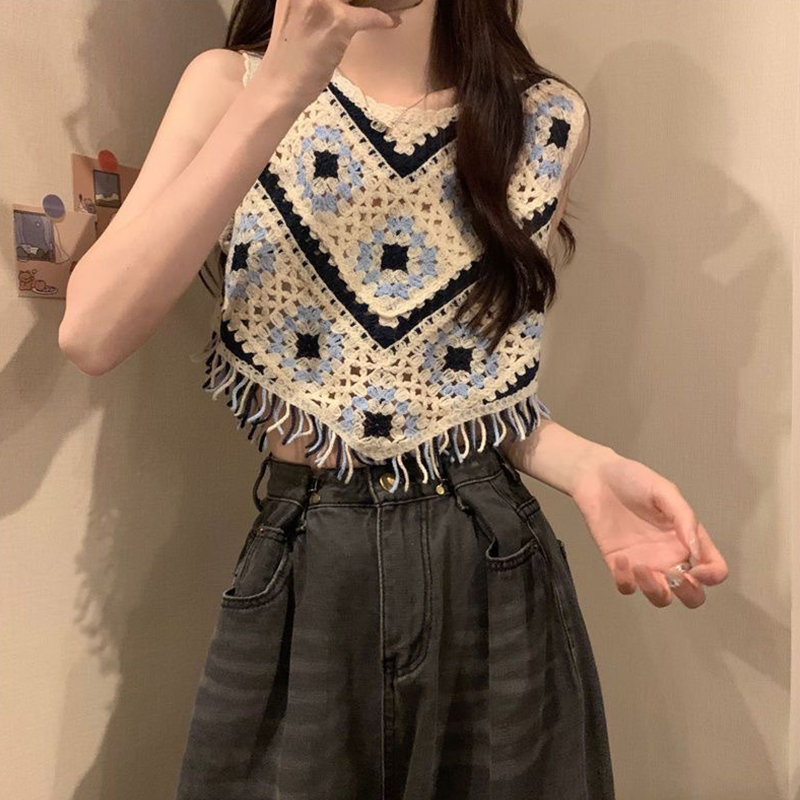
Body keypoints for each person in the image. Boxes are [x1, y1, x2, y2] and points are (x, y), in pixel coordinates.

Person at [59, 0, 730, 797]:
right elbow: (92, 333)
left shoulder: (544, 121)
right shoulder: (229, 85)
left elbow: (451, 392)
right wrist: (280, 88)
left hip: (491, 557)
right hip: (311, 556)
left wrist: (587, 466)